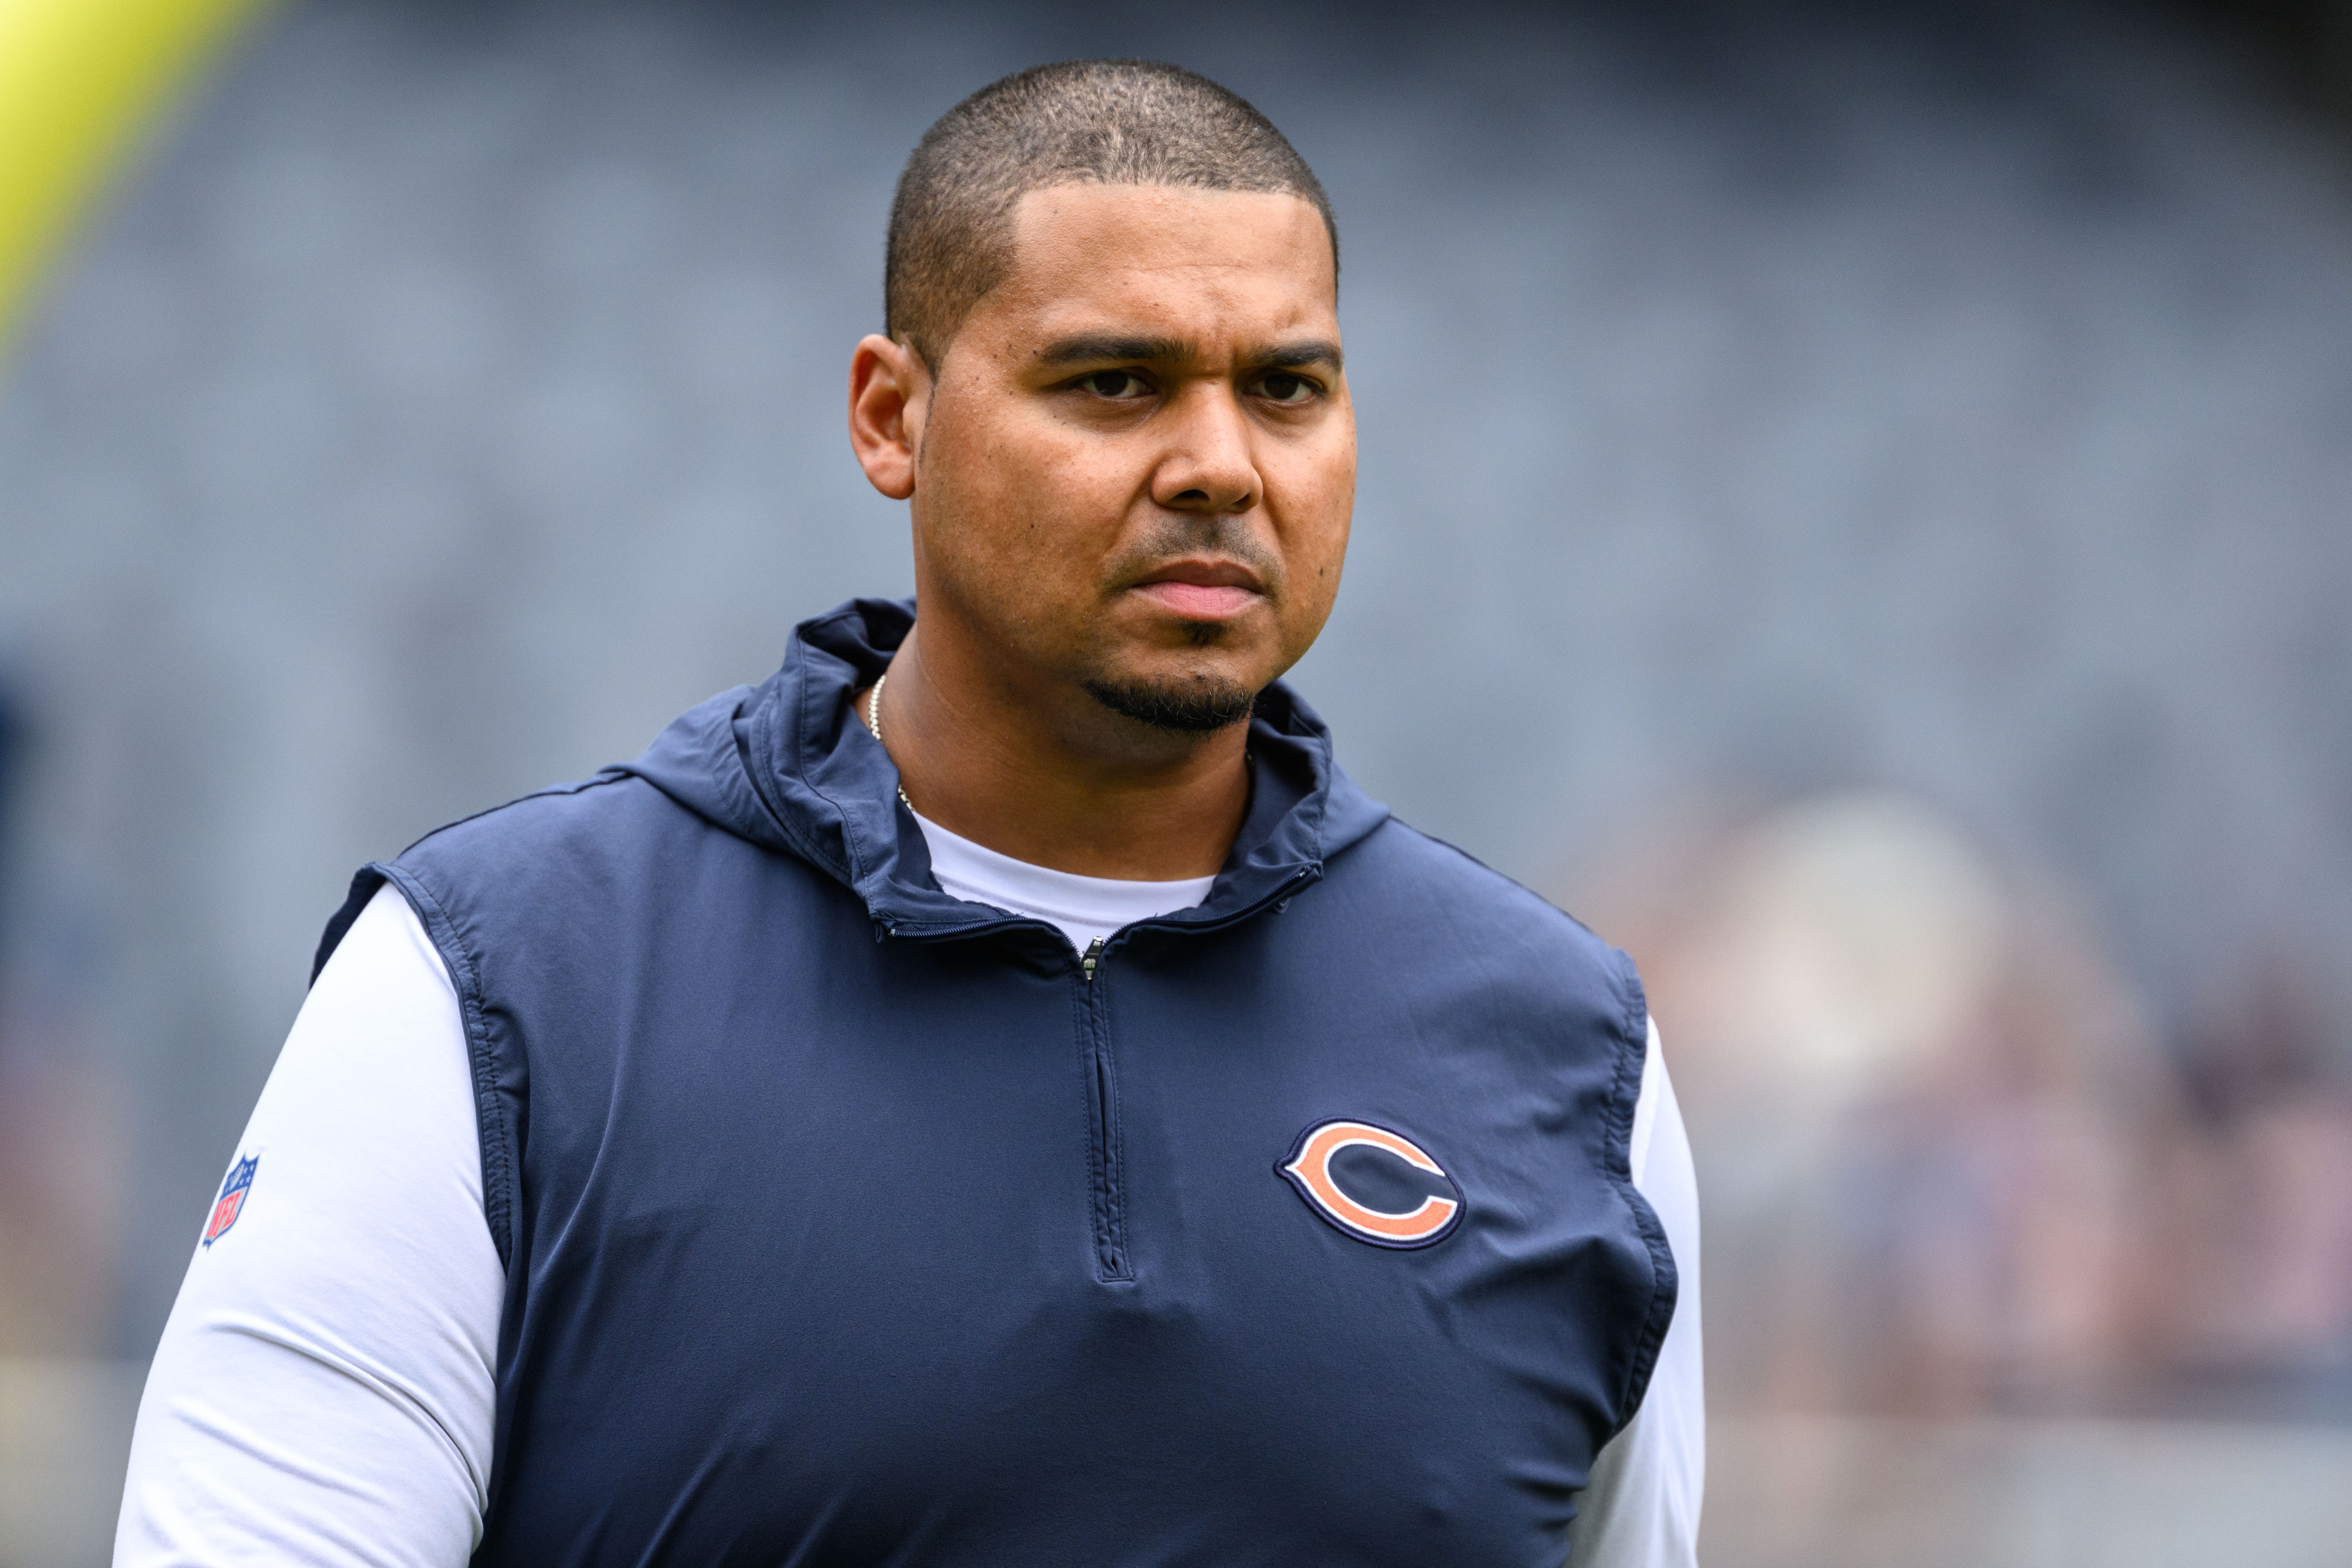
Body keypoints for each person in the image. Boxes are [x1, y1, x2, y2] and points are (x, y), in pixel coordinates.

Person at [115, 59, 1702, 1567]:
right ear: (893, 418)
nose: (1219, 465)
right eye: (1115, 383)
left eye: (1285, 389)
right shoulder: (501, 988)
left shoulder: (1564, 1054)